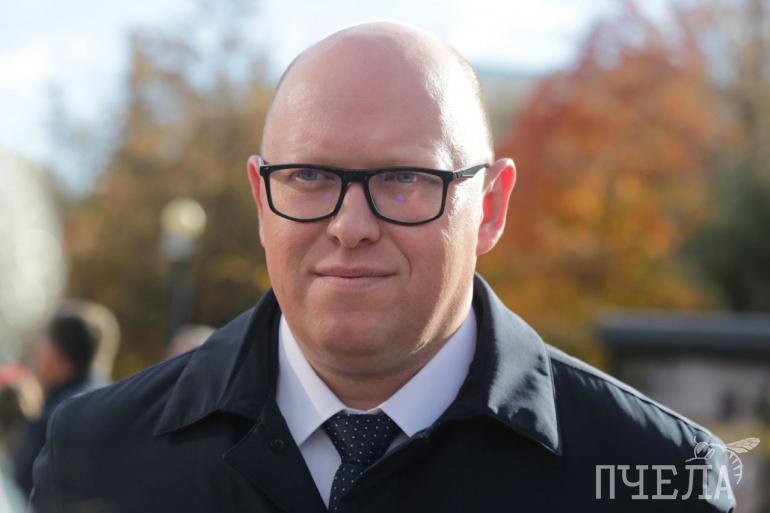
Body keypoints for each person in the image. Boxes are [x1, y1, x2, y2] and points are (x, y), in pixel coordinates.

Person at [31, 22, 735, 512]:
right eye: (308, 175)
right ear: (261, 199)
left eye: (404, 178)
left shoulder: (662, 478)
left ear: (491, 207)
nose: (350, 226)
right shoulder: (96, 453)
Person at [15, 310, 97, 498]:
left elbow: (20, 499)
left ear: (56, 355)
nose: (35, 357)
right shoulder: (105, 397)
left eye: (41, 347)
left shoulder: (51, 423)